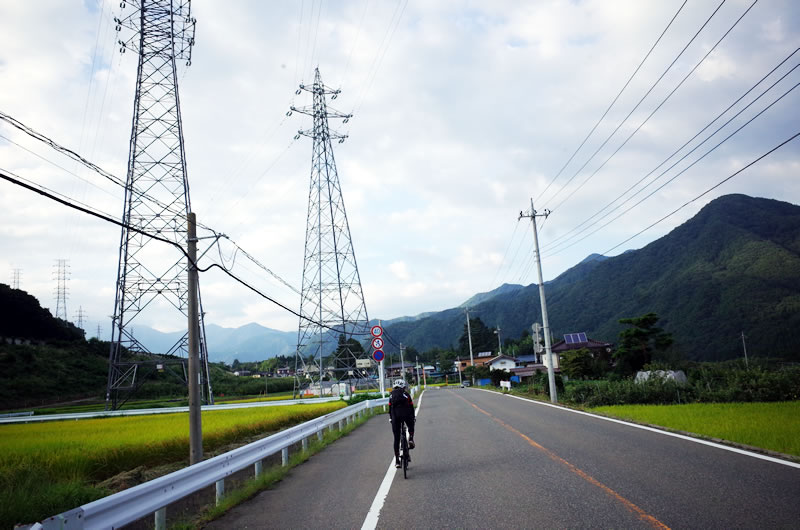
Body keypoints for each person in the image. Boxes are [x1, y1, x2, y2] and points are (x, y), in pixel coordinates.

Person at [389, 378, 415, 469]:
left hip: (395, 417)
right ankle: (411, 438)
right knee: (411, 425)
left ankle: (397, 461)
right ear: (403, 387)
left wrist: (391, 419)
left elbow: (390, 410)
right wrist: (413, 417)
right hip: (406, 415)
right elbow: (411, 407)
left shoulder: (391, 396)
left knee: (396, 439)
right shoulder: (406, 394)